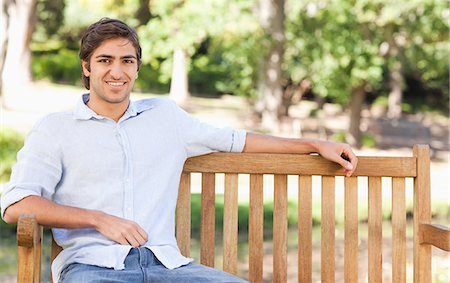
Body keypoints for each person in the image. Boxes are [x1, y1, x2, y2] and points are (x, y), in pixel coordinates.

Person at [1, 18, 357, 283]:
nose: (117, 71)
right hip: (93, 268)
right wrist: (98, 218)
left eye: (127, 61)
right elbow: (17, 206)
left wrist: (312, 144)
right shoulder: (55, 129)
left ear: (137, 68)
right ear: (86, 67)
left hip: (168, 267)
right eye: (105, 60)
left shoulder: (166, 118)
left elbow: (237, 139)